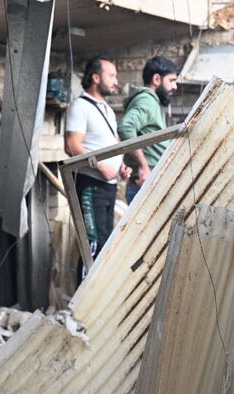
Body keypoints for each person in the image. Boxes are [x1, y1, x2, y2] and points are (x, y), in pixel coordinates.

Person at [64, 56, 130, 272]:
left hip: (109, 187)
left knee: (104, 246)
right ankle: (81, 305)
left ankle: (95, 303)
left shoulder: (107, 110)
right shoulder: (80, 106)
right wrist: (101, 166)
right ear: (95, 77)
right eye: (111, 75)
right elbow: (72, 145)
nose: (116, 81)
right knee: (92, 246)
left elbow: (112, 144)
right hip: (91, 185)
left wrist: (121, 166)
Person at [118, 55, 180, 204]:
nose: (175, 86)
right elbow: (126, 128)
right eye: (171, 80)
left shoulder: (150, 101)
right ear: (157, 79)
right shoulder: (147, 101)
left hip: (149, 183)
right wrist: (143, 166)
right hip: (145, 184)